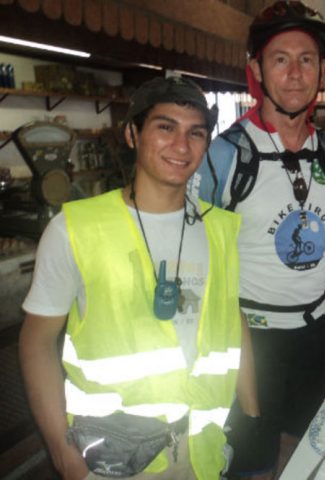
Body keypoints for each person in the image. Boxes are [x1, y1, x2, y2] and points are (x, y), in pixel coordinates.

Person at [19, 76, 258, 480]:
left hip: (202, 447)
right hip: (113, 455)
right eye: (166, 127)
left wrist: (252, 415)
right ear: (132, 134)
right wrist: (61, 451)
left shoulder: (220, 229)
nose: (181, 146)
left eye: (196, 133)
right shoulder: (74, 230)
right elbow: (37, 341)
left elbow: (233, 321)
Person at [188, 2, 325, 478]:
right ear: (257, 69)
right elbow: (194, 255)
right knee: (249, 465)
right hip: (250, 340)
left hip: (317, 332)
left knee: (314, 454)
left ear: (323, 68)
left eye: (306, 59)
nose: (295, 73)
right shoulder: (224, 155)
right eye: (281, 59)